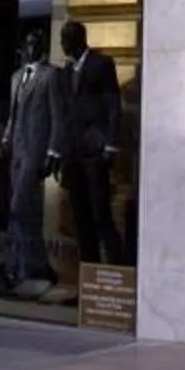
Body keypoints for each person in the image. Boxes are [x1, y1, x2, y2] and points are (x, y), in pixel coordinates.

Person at [56, 19, 125, 271]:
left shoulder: (101, 64)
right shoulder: (65, 72)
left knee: (100, 214)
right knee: (80, 217)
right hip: (73, 151)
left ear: (78, 39)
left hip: (95, 150)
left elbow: (113, 105)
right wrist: (60, 150)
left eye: (65, 39)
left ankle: (117, 271)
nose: (62, 45)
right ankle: (89, 277)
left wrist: (110, 145)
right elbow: (64, 115)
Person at [1, 27, 59, 297]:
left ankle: (33, 267)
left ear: (43, 47)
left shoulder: (51, 76)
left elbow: (58, 116)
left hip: (36, 150)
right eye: (27, 44)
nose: (29, 49)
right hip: (17, 149)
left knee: (20, 207)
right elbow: (13, 113)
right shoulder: (16, 77)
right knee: (21, 212)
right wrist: (5, 138)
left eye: (34, 44)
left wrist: (53, 152)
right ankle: (20, 268)